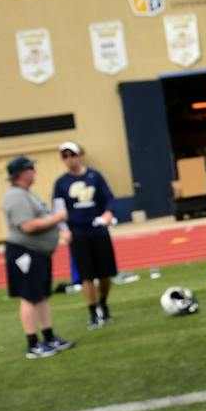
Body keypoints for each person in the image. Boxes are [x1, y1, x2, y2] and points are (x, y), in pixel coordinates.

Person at [2, 156, 74, 358]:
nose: (35, 171)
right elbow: (27, 225)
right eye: (30, 168)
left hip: (37, 253)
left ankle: (49, 336)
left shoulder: (25, 194)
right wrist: (56, 219)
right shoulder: (16, 196)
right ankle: (32, 343)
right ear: (21, 173)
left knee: (41, 295)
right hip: (25, 252)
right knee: (29, 296)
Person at [52, 141, 118, 329]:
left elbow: (108, 199)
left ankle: (103, 303)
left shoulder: (95, 176)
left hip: (97, 229)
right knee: (86, 275)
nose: (69, 159)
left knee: (105, 272)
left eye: (72, 155)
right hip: (78, 232)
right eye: (65, 156)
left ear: (80, 155)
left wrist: (108, 214)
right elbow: (58, 208)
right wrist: (64, 230)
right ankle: (92, 312)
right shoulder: (61, 183)